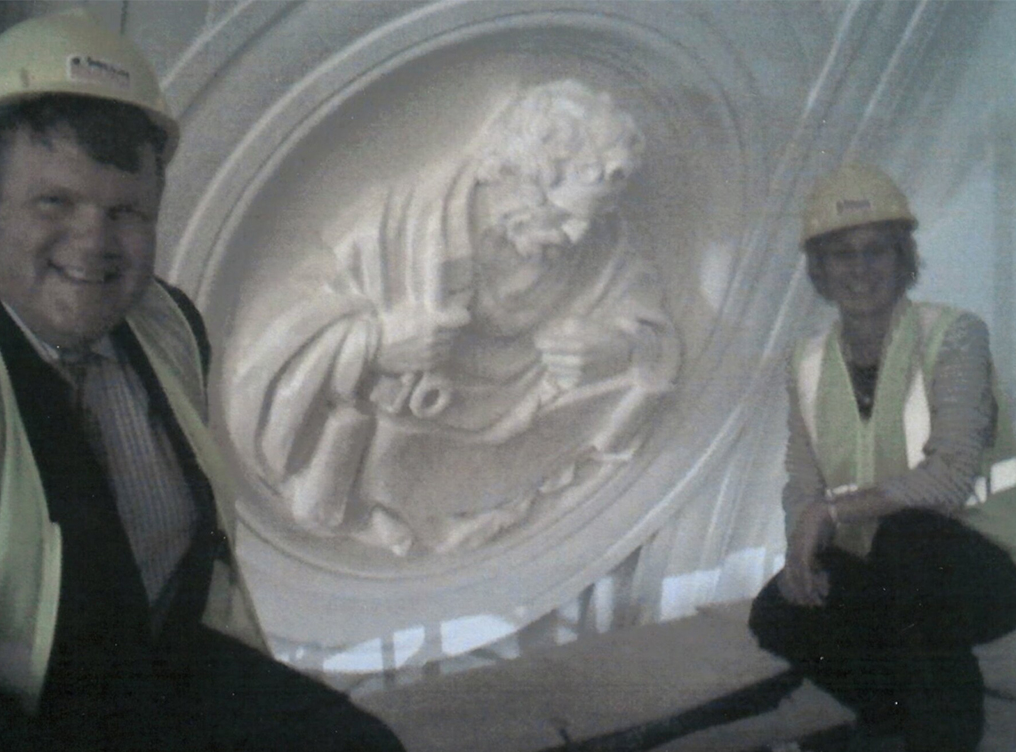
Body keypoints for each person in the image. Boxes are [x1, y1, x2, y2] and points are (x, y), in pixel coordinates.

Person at [0, 10, 414, 752]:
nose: (95, 243)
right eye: (54, 203)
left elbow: (184, 577)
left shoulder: (167, 323)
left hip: (151, 685)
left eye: (126, 211)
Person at [229, 80, 681, 555]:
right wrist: (373, 342)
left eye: (594, 216)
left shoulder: (599, 245)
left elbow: (652, 327)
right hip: (408, 445)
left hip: (520, 450)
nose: (577, 234)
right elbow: (274, 342)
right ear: (512, 178)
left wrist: (621, 349)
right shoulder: (393, 225)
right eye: (564, 214)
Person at [748, 163, 1016, 752]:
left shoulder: (953, 336)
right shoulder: (806, 362)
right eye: (840, 255)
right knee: (778, 613)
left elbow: (951, 477)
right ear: (819, 272)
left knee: (910, 543)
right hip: (886, 563)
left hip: (982, 571)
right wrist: (802, 541)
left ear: (903, 257)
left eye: (876, 250)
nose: (859, 269)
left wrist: (830, 514)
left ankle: (947, 739)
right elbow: (803, 476)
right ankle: (893, 708)